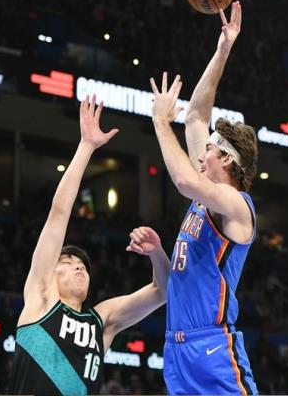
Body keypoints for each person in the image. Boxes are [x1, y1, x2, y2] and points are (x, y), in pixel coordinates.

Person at [9, 96, 171, 394]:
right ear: (50, 273)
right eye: (68, 263)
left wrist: (157, 253)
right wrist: (86, 146)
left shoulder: (101, 320)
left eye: (82, 265)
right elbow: (59, 214)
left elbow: (163, 290)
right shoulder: (41, 297)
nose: (79, 267)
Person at [146, 1, 258, 394]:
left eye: (209, 148)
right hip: (176, 350)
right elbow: (195, 117)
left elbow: (182, 179)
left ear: (227, 159)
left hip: (212, 347)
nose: (201, 153)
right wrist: (223, 48)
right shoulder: (206, 188)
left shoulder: (236, 205)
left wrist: (161, 122)